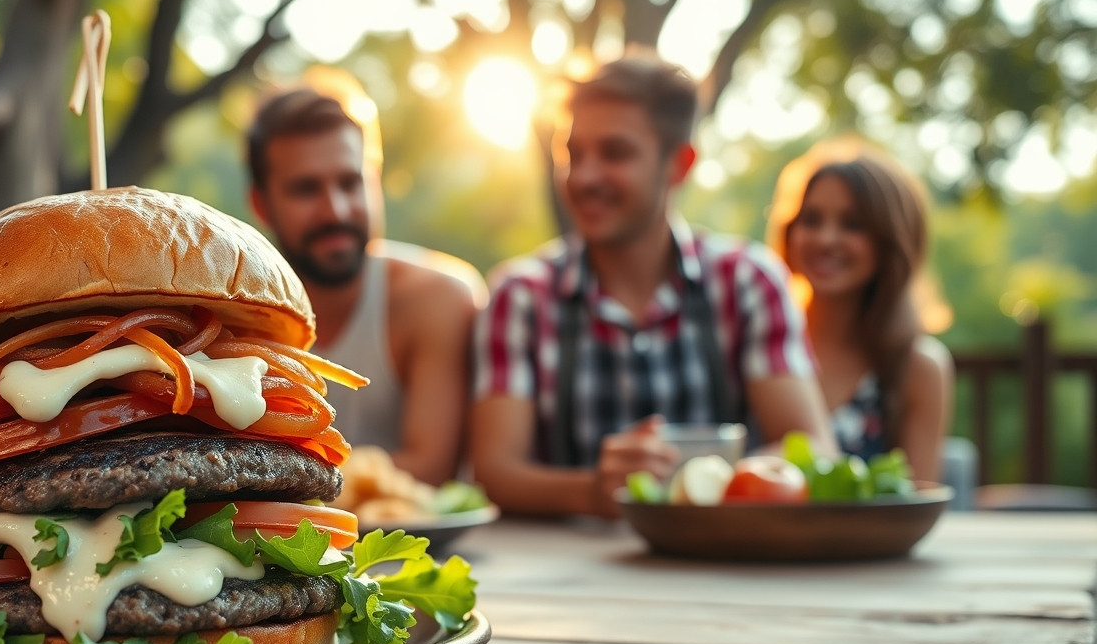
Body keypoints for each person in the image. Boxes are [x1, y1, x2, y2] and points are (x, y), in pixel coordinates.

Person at [471, 54, 836, 518]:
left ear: (679, 164)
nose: (584, 177)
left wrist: (713, 484)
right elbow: (495, 471)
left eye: (615, 153)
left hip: (727, 555)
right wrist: (591, 492)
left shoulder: (748, 281)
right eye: (573, 154)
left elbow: (812, 446)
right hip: (567, 560)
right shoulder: (521, 295)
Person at [245, 85, 481, 486]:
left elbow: (431, 469)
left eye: (350, 183)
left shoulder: (437, 299)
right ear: (261, 205)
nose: (334, 210)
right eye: (306, 189)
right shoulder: (236, 318)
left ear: (375, 183)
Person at [766, 141, 954, 482]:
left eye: (852, 224)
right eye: (811, 219)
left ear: (890, 241)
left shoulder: (916, 367)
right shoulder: (760, 341)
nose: (826, 239)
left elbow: (917, 498)